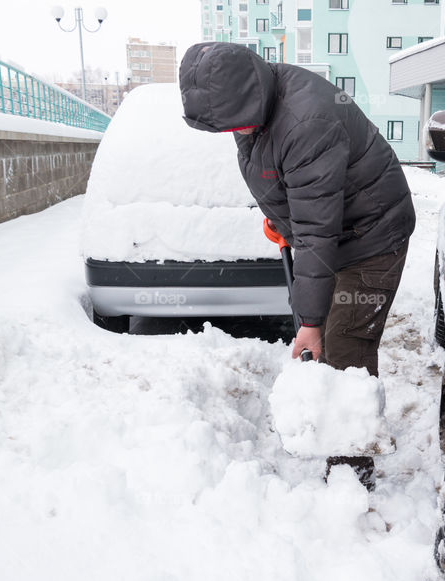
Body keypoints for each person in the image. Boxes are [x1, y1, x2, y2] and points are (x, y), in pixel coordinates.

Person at [178, 42, 415, 379]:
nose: (232, 132)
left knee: (345, 350)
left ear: (251, 95)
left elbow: (315, 230)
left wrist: (310, 324)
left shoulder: (306, 122)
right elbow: (286, 176)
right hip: (338, 229)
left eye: (233, 123)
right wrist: (282, 219)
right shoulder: (253, 105)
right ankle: (326, 417)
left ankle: (355, 430)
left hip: (372, 236)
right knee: (325, 349)